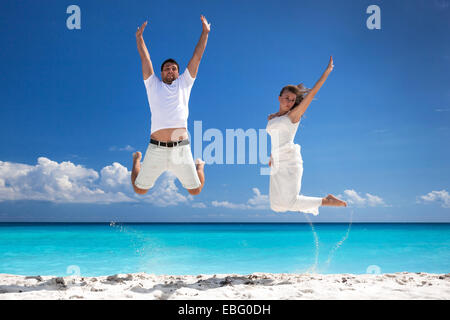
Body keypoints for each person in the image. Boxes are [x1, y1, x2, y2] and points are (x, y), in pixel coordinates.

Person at [131, 15, 210, 196]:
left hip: (180, 149)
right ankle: (136, 160)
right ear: (161, 73)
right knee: (139, 190)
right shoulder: (153, 85)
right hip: (156, 148)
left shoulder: (185, 83)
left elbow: (197, 57)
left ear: (178, 72)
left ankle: (200, 166)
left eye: (174, 68)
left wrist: (205, 32)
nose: (170, 70)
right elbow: (146, 59)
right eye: (167, 68)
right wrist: (139, 38)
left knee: (195, 190)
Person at [266, 56, 347, 215]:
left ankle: (326, 201)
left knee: (290, 201)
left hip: (290, 162)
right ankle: (325, 200)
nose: (289, 101)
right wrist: (271, 156)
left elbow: (312, 93)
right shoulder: (273, 117)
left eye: (292, 100)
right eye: (286, 98)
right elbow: (275, 138)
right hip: (276, 161)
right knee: (276, 205)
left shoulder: (293, 116)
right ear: (279, 98)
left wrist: (327, 72)